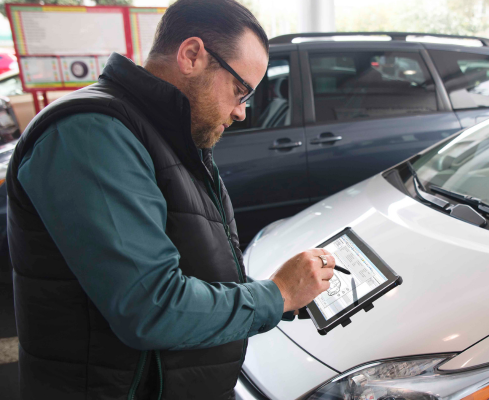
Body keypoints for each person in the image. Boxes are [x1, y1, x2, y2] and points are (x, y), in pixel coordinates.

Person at [6, 0, 335, 399]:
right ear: (192, 55)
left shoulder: (165, 134)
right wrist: (277, 294)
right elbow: (151, 308)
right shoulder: (90, 133)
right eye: (240, 91)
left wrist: (279, 296)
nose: (241, 112)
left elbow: (191, 265)